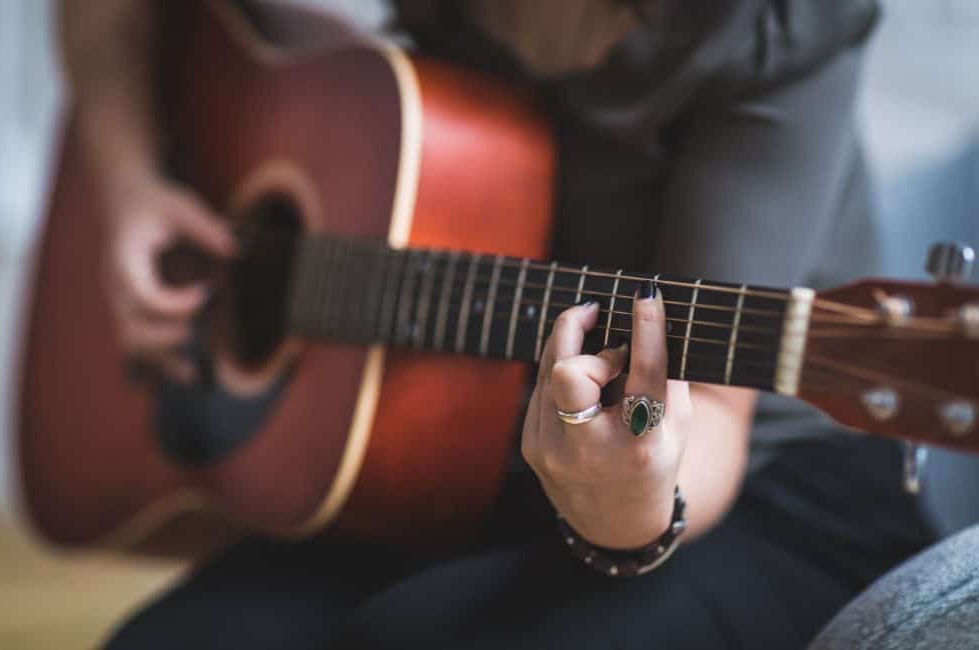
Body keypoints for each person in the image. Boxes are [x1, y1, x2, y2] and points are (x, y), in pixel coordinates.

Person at [59, 1, 935, 648]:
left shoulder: (774, 21)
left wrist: (631, 508)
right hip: (451, 451)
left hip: (757, 491)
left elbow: (708, 410)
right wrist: (129, 176)